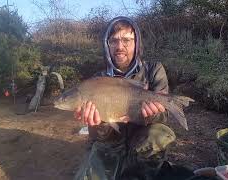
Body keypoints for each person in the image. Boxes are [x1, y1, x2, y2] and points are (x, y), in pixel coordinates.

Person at [74, 16, 176, 180]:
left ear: (137, 43)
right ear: (107, 45)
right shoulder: (97, 80)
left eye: (126, 40)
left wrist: (152, 114)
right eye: (114, 41)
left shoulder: (154, 69)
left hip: (141, 136)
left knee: (160, 133)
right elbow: (97, 136)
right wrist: (99, 124)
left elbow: (164, 116)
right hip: (110, 141)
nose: (119, 46)